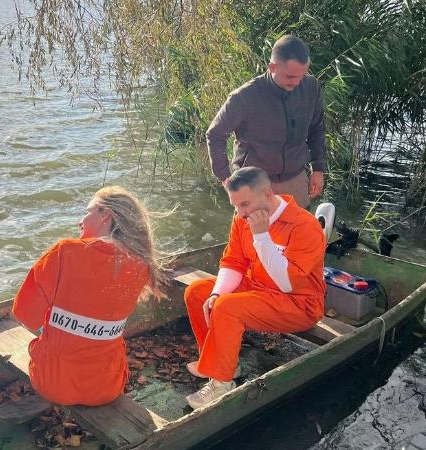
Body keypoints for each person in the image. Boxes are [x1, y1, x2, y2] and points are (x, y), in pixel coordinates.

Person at [183, 167, 326, 409]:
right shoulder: (242, 218)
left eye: (245, 204)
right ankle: (220, 361)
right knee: (198, 293)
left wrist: (261, 237)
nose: (240, 213)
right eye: (235, 206)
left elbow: (287, 283)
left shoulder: (305, 226)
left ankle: (222, 383)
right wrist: (217, 292)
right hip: (258, 288)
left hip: (298, 303)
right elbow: (233, 262)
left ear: (268, 194)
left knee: (227, 307)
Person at [11, 186, 165, 406]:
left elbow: (24, 314)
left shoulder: (64, 251)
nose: (80, 221)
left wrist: (52, 329)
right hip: (107, 386)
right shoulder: (142, 264)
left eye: (87, 212)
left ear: (105, 214)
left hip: (54, 383)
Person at [206, 35, 326, 208]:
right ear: (272, 67)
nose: (298, 82)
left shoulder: (311, 87)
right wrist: (226, 178)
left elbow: (317, 128)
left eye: (302, 76)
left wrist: (318, 169)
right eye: (291, 77)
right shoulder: (243, 97)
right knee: (254, 233)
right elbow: (215, 134)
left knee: (299, 232)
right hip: (253, 184)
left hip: (295, 179)